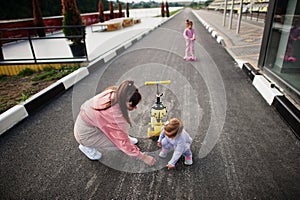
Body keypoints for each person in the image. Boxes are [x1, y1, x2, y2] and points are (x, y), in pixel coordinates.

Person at [74, 80, 156, 166]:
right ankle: (86, 146)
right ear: (129, 103)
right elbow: (122, 143)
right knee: (118, 143)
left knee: (119, 136)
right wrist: (143, 157)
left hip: (92, 125)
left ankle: (120, 136)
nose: (135, 108)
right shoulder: (114, 115)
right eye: (134, 105)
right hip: (85, 135)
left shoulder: (115, 93)